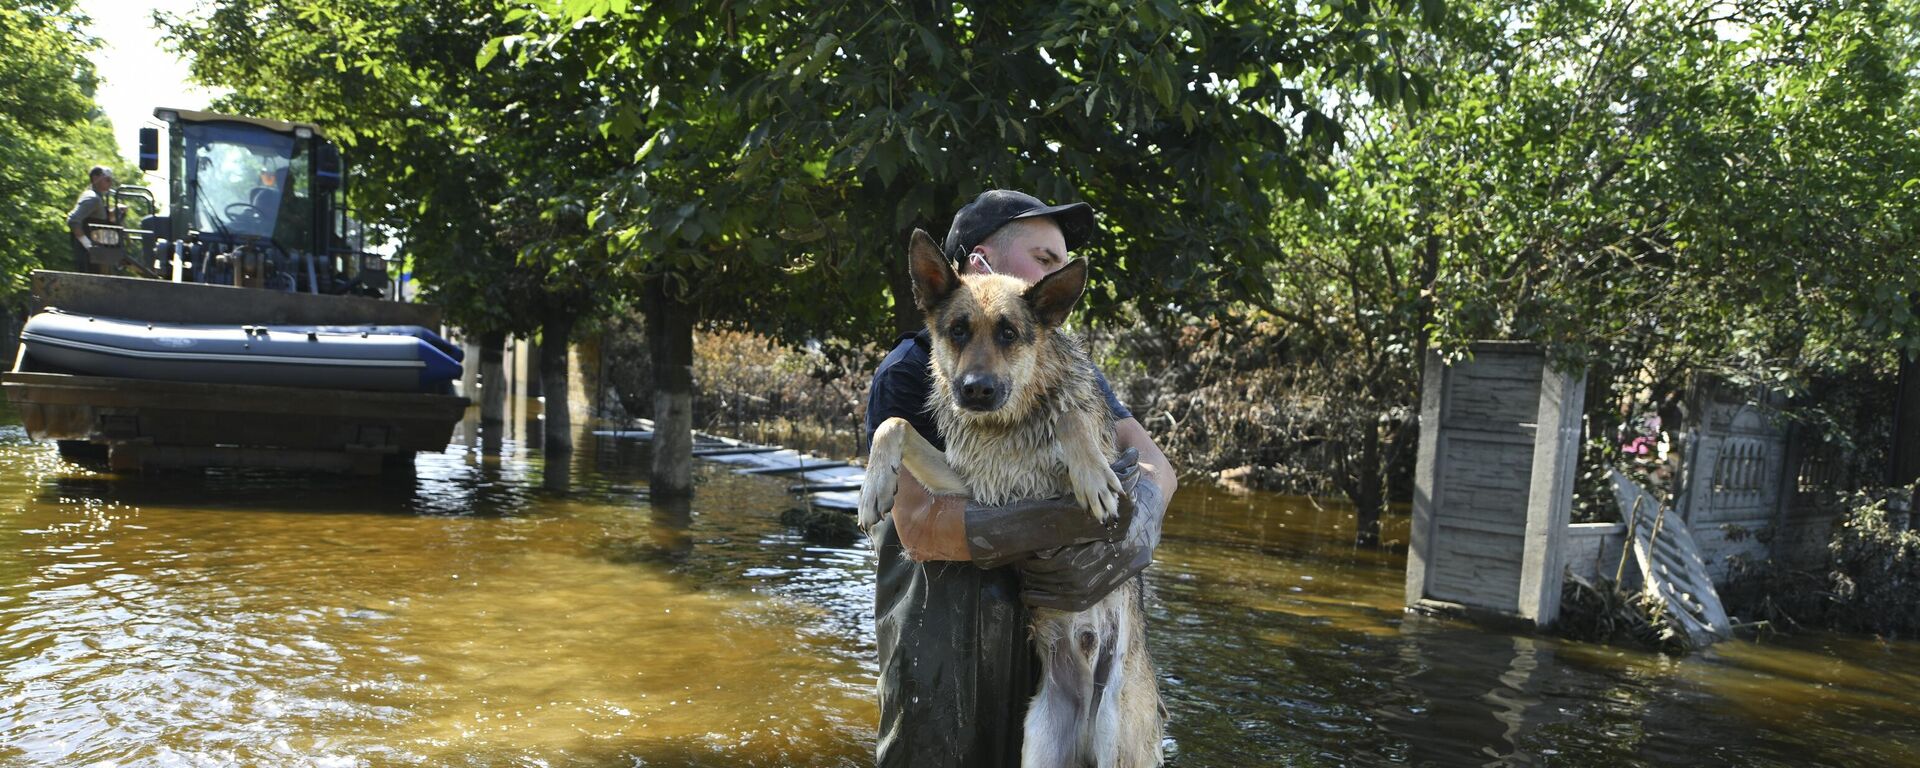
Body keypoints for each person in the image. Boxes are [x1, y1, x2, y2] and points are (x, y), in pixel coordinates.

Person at [865, 189, 1178, 767]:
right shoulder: (911, 370)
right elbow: (918, 528)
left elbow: (1156, 463)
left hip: (1047, 642)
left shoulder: (1061, 364)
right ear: (980, 264)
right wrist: (1062, 519)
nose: (1057, 278)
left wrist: (1141, 528)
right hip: (946, 655)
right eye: (1045, 258)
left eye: (1062, 266)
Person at [65, 166, 117, 272]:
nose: (110, 183)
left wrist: (112, 212)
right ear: (95, 178)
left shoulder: (97, 198)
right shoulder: (92, 198)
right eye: (107, 180)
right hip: (89, 257)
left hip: (97, 255)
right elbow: (73, 220)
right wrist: (88, 246)